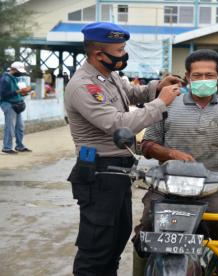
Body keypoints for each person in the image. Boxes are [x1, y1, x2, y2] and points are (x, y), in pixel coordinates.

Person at [64, 22, 180, 275]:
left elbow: (130, 94)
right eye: (120, 50)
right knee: (96, 247)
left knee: (116, 240)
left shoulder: (108, 76)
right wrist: (161, 103)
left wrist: (156, 88)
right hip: (99, 173)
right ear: (98, 54)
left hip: (116, 173)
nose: (124, 54)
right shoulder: (83, 86)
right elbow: (118, 123)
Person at [133, 49, 218, 272]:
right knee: (146, 231)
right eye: (197, 76)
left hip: (214, 188)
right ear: (187, 77)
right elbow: (146, 145)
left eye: (209, 75)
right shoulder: (166, 105)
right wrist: (171, 154)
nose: (203, 80)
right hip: (168, 187)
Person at [0, 61, 32, 154]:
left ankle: (19, 146)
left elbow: (17, 91)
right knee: (10, 127)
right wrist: (19, 91)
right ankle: (7, 147)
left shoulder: (15, 78)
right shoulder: (5, 79)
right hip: (8, 104)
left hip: (17, 104)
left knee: (20, 127)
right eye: (19, 71)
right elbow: (3, 94)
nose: (20, 73)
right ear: (13, 69)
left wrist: (24, 92)